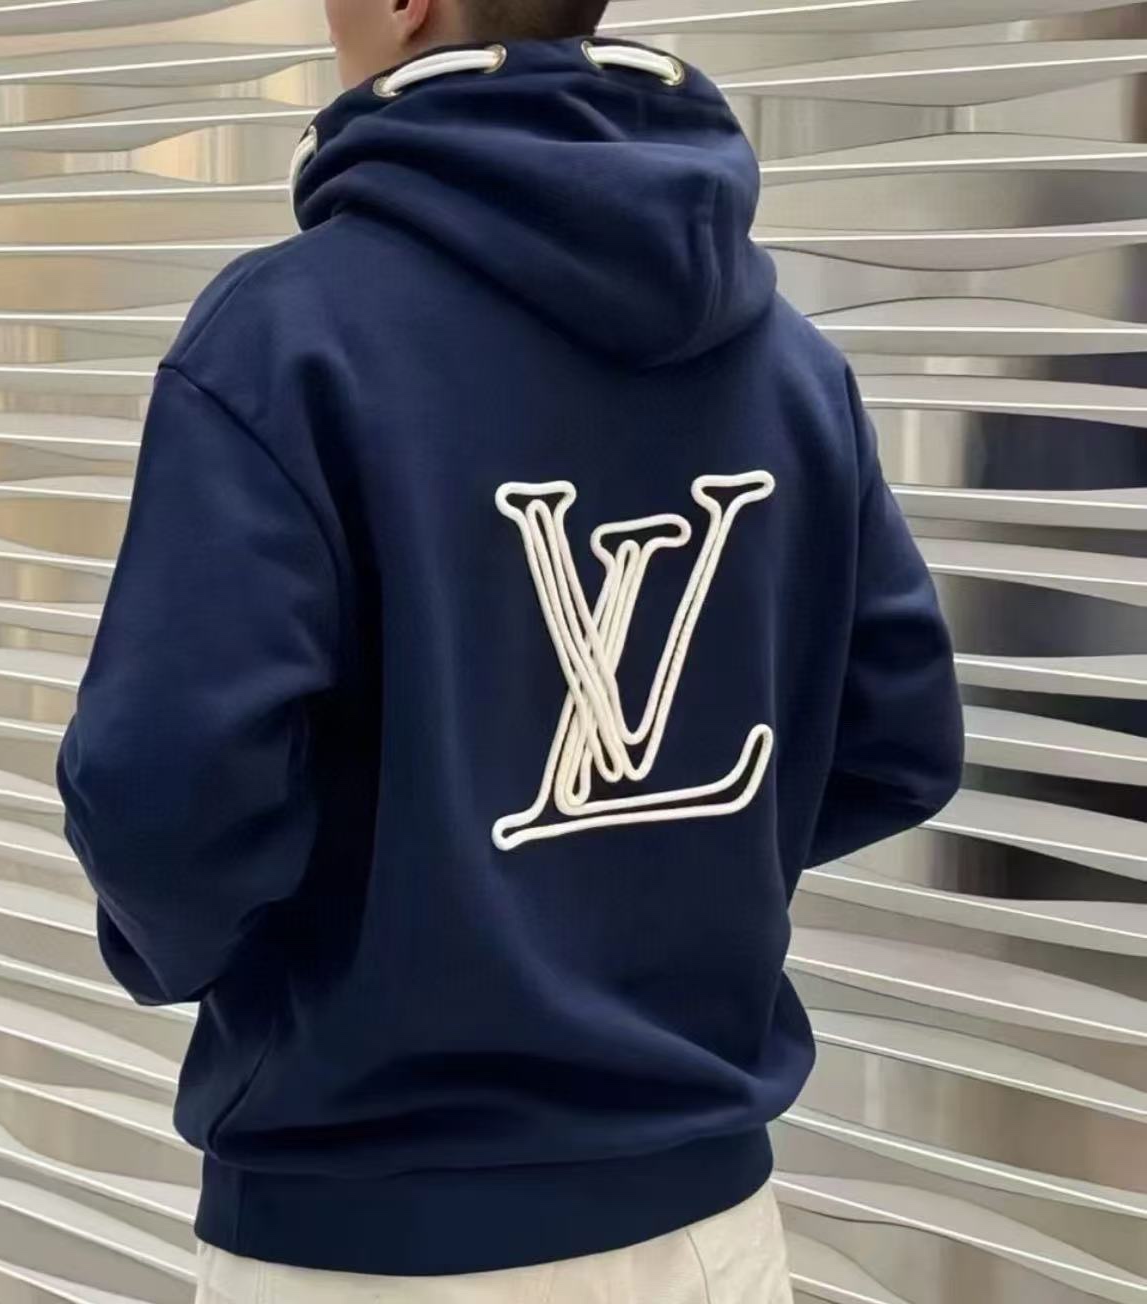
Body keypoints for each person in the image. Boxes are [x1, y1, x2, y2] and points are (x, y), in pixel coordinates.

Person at [56, 0, 965, 1300]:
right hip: (713, 1231)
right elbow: (899, 744)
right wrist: (651, 880)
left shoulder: (290, 340)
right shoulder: (792, 363)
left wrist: (236, 946)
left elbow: (159, 789)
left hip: (376, 1237)